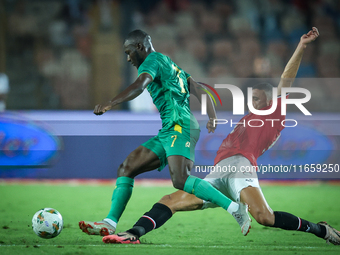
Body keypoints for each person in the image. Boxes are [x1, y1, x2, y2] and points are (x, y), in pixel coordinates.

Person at [101, 27, 339, 246]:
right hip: (220, 170)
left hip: (240, 167)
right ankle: (134, 233)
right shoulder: (252, 116)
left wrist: (302, 45)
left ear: (270, 99)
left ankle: (320, 230)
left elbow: (287, 77)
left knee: (264, 217)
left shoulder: (275, 111)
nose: (252, 103)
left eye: (257, 99)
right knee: (171, 200)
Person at [79, 30, 251, 237]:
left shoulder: (151, 61)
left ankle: (235, 209)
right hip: (171, 128)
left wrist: (110, 102)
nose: (128, 58)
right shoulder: (169, 63)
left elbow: (139, 85)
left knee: (180, 180)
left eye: (129, 52)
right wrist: (212, 115)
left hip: (180, 126)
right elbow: (197, 87)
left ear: (140, 48)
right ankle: (109, 223)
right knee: (127, 167)